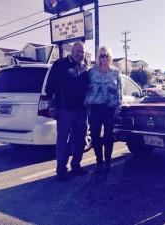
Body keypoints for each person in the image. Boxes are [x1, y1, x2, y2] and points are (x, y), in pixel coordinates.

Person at [45, 41, 89, 181]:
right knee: (63, 140)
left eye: (82, 52)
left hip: (81, 111)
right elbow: (49, 87)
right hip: (64, 110)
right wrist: (52, 107)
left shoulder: (85, 68)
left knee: (80, 139)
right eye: (78, 51)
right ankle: (61, 170)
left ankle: (76, 165)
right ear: (72, 51)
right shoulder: (60, 65)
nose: (80, 54)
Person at [84, 45, 123, 173]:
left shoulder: (116, 72)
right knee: (94, 135)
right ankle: (99, 161)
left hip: (109, 108)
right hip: (95, 107)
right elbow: (86, 89)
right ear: (98, 57)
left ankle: (108, 161)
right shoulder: (92, 72)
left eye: (106, 55)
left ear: (110, 57)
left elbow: (119, 91)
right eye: (102, 55)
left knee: (108, 136)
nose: (104, 58)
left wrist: (118, 106)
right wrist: (87, 106)